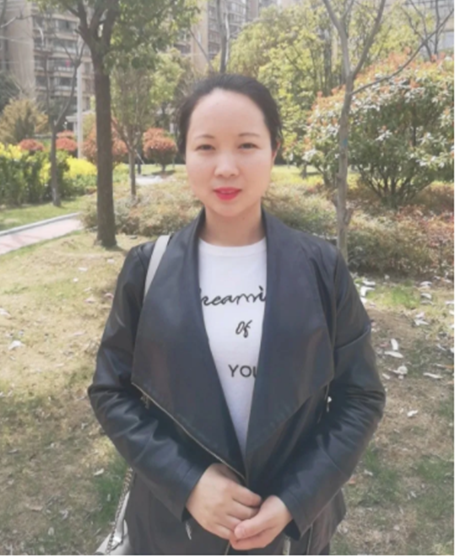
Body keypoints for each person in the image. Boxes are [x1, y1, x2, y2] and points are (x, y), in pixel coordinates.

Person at [88, 74, 386, 555]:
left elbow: (360, 396)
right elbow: (111, 391)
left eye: (247, 145)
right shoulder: (148, 268)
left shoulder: (320, 268)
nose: (225, 168)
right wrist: (187, 481)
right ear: (184, 155)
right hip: (172, 530)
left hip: (290, 535)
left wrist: (294, 500)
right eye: (206, 147)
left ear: (274, 151)